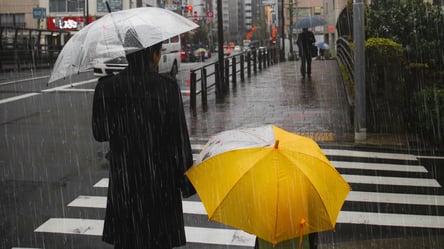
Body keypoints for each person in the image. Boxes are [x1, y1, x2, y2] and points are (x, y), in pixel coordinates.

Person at [92, 40, 195, 249]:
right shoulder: (167, 88)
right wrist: (185, 180)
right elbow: (179, 141)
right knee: (159, 241)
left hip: (125, 182)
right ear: (155, 55)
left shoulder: (107, 87)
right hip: (161, 183)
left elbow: (100, 133)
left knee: (126, 241)